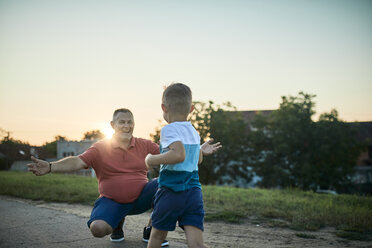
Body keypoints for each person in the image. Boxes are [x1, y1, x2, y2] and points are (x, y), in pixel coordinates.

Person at [27, 108, 221, 247]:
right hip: (112, 201)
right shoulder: (100, 148)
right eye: (122, 122)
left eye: (130, 122)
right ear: (112, 125)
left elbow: (174, 153)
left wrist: (198, 150)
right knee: (98, 229)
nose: (126, 126)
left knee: (164, 183)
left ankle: (150, 228)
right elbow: (77, 161)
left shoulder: (145, 145)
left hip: (141, 197)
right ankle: (117, 224)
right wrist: (51, 166)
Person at [145, 83, 208, 248]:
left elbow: (178, 154)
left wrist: (151, 159)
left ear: (163, 107)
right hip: (194, 193)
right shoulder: (194, 131)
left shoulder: (169, 129)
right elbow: (198, 160)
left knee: (157, 236)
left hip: (171, 192)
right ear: (191, 109)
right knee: (196, 244)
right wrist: (200, 150)